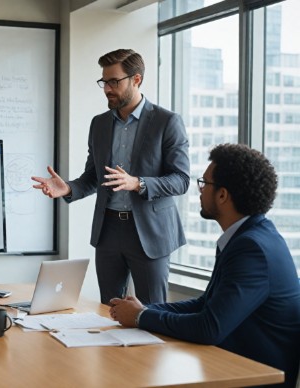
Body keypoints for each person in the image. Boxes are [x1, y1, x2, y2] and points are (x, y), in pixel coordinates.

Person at [109, 144, 300, 387]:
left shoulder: (252, 249)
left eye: (204, 183)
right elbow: (205, 305)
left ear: (222, 195)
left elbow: (209, 328)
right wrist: (142, 309)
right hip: (230, 364)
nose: (199, 191)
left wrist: (141, 317)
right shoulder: (250, 235)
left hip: (253, 376)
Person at [31, 48, 189, 304]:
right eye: (104, 82)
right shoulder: (100, 124)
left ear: (136, 79)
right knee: (109, 312)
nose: (107, 88)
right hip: (109, 231)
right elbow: (94, 177)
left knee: (153, 313)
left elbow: (181, 180)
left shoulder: (167, 121)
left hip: (150, 232)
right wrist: (68, 188)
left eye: (114, 81)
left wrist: (137, 183)